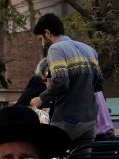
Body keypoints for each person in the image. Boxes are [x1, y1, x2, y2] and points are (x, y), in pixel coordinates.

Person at [30, 13, 103, 146]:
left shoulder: (56, 49)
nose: (42, 44)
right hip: (89, 122)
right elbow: (98, 84)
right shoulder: (90, 50)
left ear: (47, 33)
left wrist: (41, 99)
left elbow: (61, 82)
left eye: (41, 38)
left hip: (66, 121)